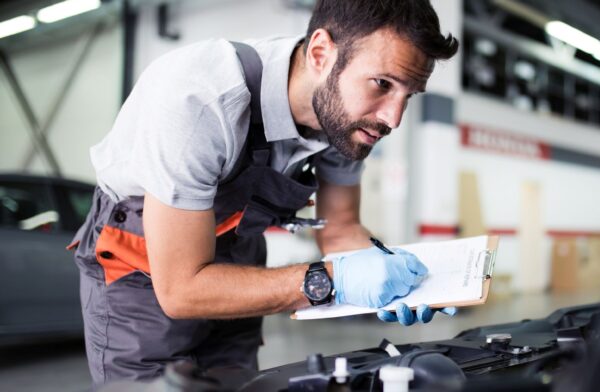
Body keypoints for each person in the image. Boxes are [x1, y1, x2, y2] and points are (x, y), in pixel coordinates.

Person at [68, 0, 458, 385]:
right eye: (382, 84)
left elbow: (340, 230)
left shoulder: (349, 121)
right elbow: (181, 289)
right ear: (321, 53)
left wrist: (398, 278)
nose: (392, 117)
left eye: (408, 95)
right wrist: (332, 280)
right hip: (142, 264)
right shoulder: (201, 99)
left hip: (240, 253)